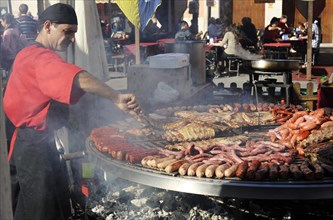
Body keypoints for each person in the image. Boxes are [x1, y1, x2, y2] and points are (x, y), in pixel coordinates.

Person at [4, 3, 140, 220]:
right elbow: (76, 77)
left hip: (36, 145)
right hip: (33, 151)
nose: (72, 38)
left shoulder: (30, 54)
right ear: (48, 26)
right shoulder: (39, 57)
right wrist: (115, 97)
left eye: (75, 33)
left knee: (42, 207)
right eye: (67, 31)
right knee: (42, 212)